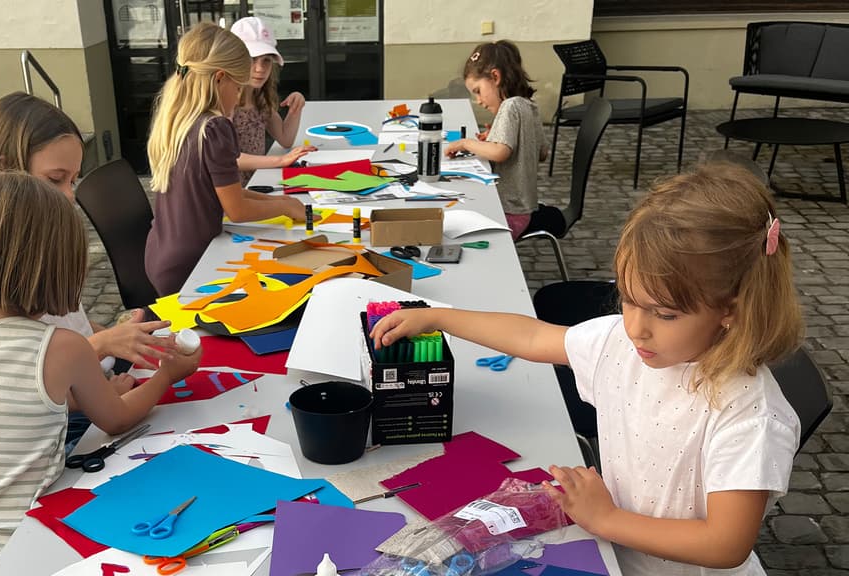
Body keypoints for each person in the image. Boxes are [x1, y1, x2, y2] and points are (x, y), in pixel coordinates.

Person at [371, 162, 803, 575]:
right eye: (628, 299)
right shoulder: (623, 344)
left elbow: (725, 544)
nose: (636, 328)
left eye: (664, 314)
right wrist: (440, 317)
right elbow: (533, 338)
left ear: (731, 311)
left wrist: (607, 519)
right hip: (613, 555)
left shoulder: (748, 413)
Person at [0, 172, 201, 574]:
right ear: (58, 267)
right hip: (32, 547)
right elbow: (117, 419)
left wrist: (95, 388)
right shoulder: (60, 346)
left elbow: (8, 406)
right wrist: (166, 376)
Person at [0, 92, 175, 375]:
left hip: (94, 375)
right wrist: (103, 344)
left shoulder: (46, 239)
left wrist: (117, 336)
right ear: (7, 169)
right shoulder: (4, 263)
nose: (70, 195)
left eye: (72, 180)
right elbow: (32, 371)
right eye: (55, 179)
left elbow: (70, 322)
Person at [145, 22, 308, 296]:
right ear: (220, 78)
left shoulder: (178, 120)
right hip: (193, 266)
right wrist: (284, 208)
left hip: (162, 255)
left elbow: (229, 194)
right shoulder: (215, 127)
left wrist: (284, 203)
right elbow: (237, 210)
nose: (238, 96)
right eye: (238, 86)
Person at [445, 40, 548, 239]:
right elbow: (542, 152)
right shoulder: (529, 105)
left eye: (478, 91)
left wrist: (466, 143)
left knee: (454, 226)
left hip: (507, 211)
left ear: (495, 77)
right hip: (523, 210)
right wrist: (496, 136)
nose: (478, 101)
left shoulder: (510, 106)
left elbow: (500, 152)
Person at [230, 16, 315, 185]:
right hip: (232, 191)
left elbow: (285, 139)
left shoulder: (260, 99)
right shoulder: (226, 103)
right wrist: (280, 160)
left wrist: (295, 109)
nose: (260, 69)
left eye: (266, 61)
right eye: (252, 60)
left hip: (256, 183)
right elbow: (227, 159)